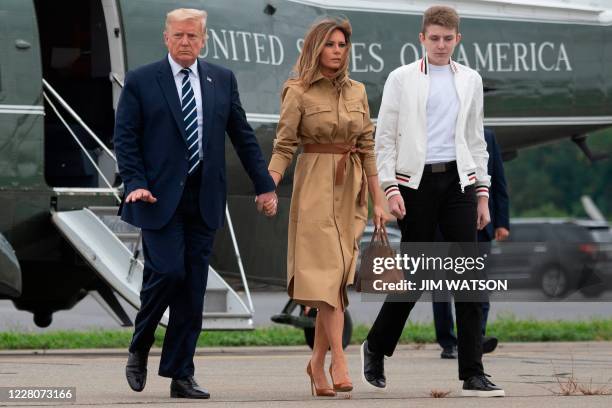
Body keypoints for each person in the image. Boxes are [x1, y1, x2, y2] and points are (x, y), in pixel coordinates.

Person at [114, 8, 277, 399]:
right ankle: (140, 343)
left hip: (204, 198)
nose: (185, 42)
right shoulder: (141, 81)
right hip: (157, 197)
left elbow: (242, 135)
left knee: (192, 289)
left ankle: (180, 374)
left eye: (193, 36)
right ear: (166, 38)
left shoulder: (221, 79)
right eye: (179, 36)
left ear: (204, 39)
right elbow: (126, 137)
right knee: (168, 273)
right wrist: (134, 182)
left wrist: (264, 185)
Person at [360, 6, 505, 397]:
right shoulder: (401, 78)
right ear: (421, 39)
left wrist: (482, 194)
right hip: (415, 186)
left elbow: (476, 141)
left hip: (459, 184)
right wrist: (390, 187)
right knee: (416, 277)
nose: (441, 45)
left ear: (458, 39)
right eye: (434, 38)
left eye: (448, 38)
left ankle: (473, 373)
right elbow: (384, 138)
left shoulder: (470, 80)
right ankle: (375, 346)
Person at [267, 18, 386, 397]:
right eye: (331, 44)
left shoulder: (358, 91)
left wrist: (378, 198)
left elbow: (367, 146)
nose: (338, 50)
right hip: (315, 184)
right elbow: (284, 146)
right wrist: (266, 186)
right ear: (315, 48)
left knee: (334, 281)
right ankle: (339, 357)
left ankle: (315, 364)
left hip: (350, 189)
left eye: (342, 44)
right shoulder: (297, 90)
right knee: (329, 276)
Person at [433, 128, 511, 359]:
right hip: (443, 226)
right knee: (442, 287)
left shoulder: (487, 137)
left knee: (477, 285)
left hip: (480, 225)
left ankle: (476, 337)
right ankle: (448, 341)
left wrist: (502, 222)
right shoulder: (440, 133)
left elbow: (498, 180)